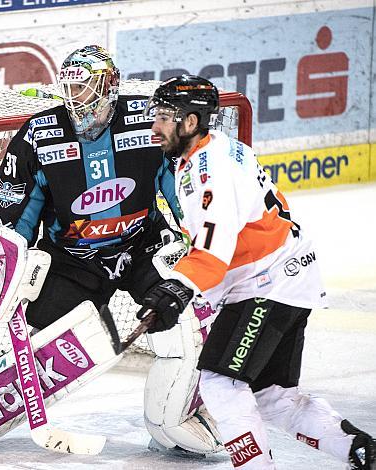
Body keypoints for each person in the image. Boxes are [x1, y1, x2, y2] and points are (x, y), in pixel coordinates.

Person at [0, 45, 221, 455]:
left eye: (87, 87)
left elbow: (182, 187)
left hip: (143, 246)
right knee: (43, 341)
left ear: (110, 86)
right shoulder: (39, 135)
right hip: (73, 260)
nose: (77, 99)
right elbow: (13, 214)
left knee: (181, 320)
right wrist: (11, 263)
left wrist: (198, 241)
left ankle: (174, 417)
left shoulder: (149, 121)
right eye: (71, 88)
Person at [142, 74, 376, 469]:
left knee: (219, 382)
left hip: (267, 283)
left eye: (165, 117)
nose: (155, 126)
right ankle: (359, 450)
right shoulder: (210, 154)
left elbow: (215, 253)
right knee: (272, 396)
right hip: (283, 277)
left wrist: (176, 289)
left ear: (192, 122)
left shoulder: (210, 170)